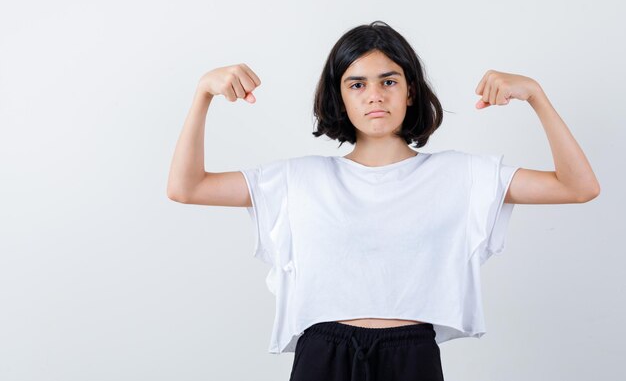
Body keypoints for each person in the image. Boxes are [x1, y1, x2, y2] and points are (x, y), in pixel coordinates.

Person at [166, 21, 600, 381]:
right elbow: (187, 188)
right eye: (357, 84)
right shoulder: (299, 178)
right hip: (323, 355)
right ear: (341, 97)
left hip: (410, 356)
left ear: (409, 91)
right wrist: (203, 93)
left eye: (388, 81)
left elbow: (577, 187)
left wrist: (536, 96)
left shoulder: (459, 174)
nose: (375, 94)